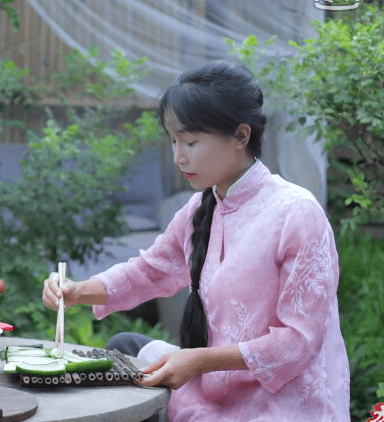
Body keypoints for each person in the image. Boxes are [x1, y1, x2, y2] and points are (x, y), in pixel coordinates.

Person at [42, 61, 350, 421]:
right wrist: (78, 291)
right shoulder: (199, 209)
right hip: (214, 385)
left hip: (282, 405)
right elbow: (149, 271)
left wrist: (199, 360)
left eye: (190, 141)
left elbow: (298, 343)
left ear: (240, 136)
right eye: (173, 141)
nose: (178, 157)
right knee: (123, 347)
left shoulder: (296, 213)